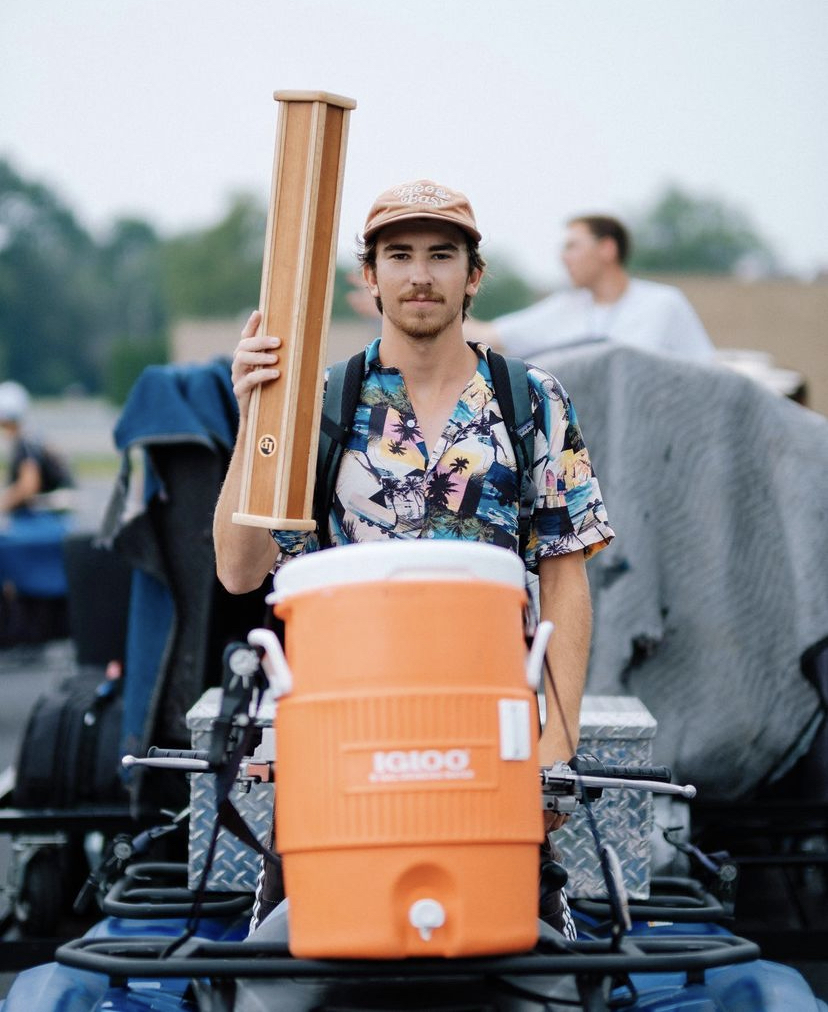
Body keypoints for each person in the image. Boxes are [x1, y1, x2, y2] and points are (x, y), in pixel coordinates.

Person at [213, 179, 615, 936]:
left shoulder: (531, 400)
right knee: (298, 960)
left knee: (526, 963)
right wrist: (255, 420)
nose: (420, 275)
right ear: (369, 278)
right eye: (398, 255)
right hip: (344, 740)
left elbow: (565, 577)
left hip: (488, 737)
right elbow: (238, 570)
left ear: (474, 274)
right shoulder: (321, 403)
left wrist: (554, 754)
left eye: (441, 254)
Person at [468, 214, 715, 362]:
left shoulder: (664, 305)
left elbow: (708, 376)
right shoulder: (565, 308)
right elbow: (488, 335)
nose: (564, 258)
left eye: (573, 246)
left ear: (607, 248)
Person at [0, 380, 74, 514]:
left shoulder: (24, 443)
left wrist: (4, 503)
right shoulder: (35, 438)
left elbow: (28, 486)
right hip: (55, 516)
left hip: (41, 519)